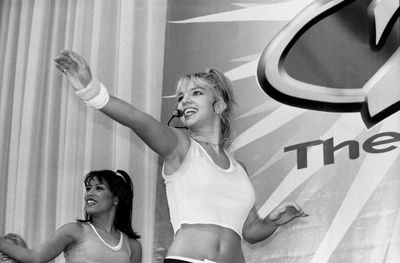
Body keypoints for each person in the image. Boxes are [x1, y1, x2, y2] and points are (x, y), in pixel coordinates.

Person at [54, 50, 308, 263]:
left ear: (218, 105)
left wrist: (273, 221)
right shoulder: (180, 145)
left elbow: (249, 231)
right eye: (181, 97)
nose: (184, 100)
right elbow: (137, 119)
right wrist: (91, 91)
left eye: (196, 93)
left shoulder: (238, 167)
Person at [0, 170, 142, 263]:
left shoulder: (133, 246)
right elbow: (35, 257)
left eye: (99, 188)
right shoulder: (74, 230)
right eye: (88, 188)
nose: (89, 193)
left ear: (116, 199)